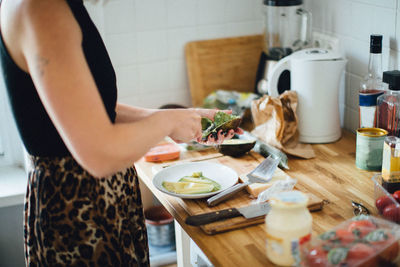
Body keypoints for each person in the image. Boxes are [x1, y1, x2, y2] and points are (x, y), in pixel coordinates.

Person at [0, 0, 239, 266]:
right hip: (78, 214)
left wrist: (176, 118)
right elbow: (98, 155)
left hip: (100, 204)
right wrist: (169, 121)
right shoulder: (42, 9)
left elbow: (85, 106)